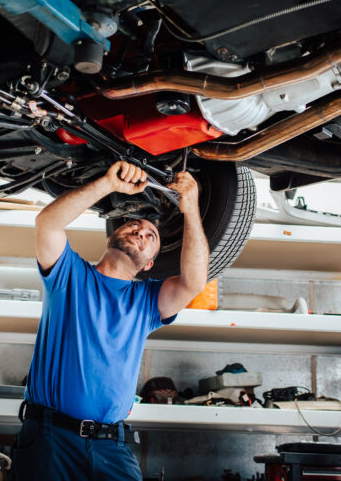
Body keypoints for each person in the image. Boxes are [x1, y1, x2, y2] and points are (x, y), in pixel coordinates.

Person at [11, 161, 209, 480]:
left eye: (150, 236)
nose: (140, 231)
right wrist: (108, 184)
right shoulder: (69, 275)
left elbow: (194, 282)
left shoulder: (147, 301)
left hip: (111, 446)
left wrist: (191, 210)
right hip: (51, 439)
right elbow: (46, 224)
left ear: (149, 265)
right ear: (111, 236)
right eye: (134, 226)